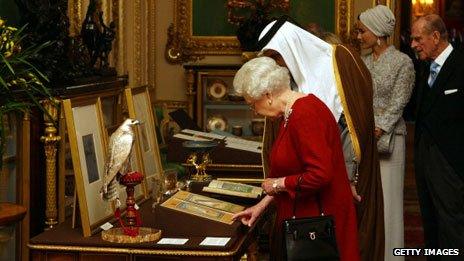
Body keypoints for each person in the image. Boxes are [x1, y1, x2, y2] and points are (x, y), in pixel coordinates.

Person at [254, 16, 384, 261]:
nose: (277, 64)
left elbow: (352, 125)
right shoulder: (289, 76)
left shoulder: (340, 60)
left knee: (342, 246)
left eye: (277, 56)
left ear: (290, 47)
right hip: (302, 187)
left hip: (341, 179)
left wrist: (349, 177)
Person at [232, 56, 360, 261]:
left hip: (318, 225)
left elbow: (320, 174)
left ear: (267, 95)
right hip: (306, 222)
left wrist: (277, 183)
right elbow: (293, 171)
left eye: (253, 104)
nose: (255, 111)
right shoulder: (290, 115)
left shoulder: (305, 113)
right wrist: (261, 206)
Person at [357, 5, 415, 260]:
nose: (359, 37)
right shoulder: (362, 62)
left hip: (390, 138)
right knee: (367, 202)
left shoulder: (403, 62)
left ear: (378, 32)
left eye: (363, 32)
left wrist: (379, 129)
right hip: (364, 140)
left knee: (389, 202)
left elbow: (399, 101)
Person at [410, 14, 464, 253]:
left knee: (452, 228)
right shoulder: (424, 68)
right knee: (430, 225)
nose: (413, 44)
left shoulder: (461, 64)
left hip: (452, 164)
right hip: (425, 161)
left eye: (417, 39)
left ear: (435, 36)